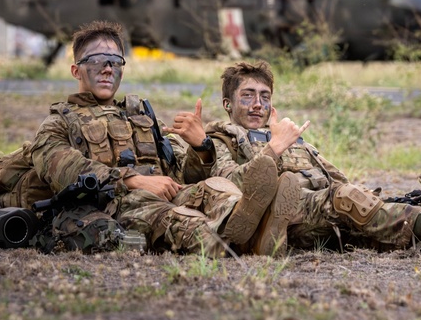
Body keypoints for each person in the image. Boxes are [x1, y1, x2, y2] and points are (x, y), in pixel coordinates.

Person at [168, 60, 421, 256]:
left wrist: (369, 199)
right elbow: (235, 187)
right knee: (346, 200)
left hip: (324, 217)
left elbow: (337, 177)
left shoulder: (292, 137)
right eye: (247, 96)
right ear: (228, 104)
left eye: (264, 96)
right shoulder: (221, 138)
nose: (258, 104)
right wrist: (274, 148)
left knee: (364, 208)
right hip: (281, 217)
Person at [28, 20, 278, 255]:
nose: (106, 69)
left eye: (114, 62)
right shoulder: (58, 122)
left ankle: (255, 222)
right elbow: (64, 169)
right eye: (96, 61)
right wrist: (133, 180)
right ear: (76, 70)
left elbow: (181, 174)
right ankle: (240, 241)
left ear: (121, 71)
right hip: (117, 205)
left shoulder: (142, 117)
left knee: (213, 192)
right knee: (171, 217)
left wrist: (200, 147)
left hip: (169, 194)